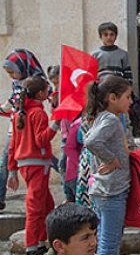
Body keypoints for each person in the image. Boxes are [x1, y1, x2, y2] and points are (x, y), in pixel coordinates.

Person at [83, 76, 133, 255]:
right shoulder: (110, 119)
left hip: (104, 189)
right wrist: (111, 160)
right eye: (127, 97)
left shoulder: (104, 117)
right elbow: (91, 142)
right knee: (110, 244)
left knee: (105, 239)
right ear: (112, 98)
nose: (131, 101)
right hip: (112, 191)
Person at [7, 77, 57, 255]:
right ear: (41, 94)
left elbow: (12, 144)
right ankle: (32, 246)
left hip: (25, 165)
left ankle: (43, 241)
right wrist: (55, 125)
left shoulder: (19, 114)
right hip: (38, 164)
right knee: (36, 206)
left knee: (46, 204)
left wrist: (12, 170)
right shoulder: (38, 113)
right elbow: (41, 140)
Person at [3, 49, 47, 211]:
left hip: (26, 138)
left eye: (12, 72)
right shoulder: (17, 86)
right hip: (18, 131)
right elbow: (9, 106)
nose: (12, 77)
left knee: (37, 203)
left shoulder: (34, 86)